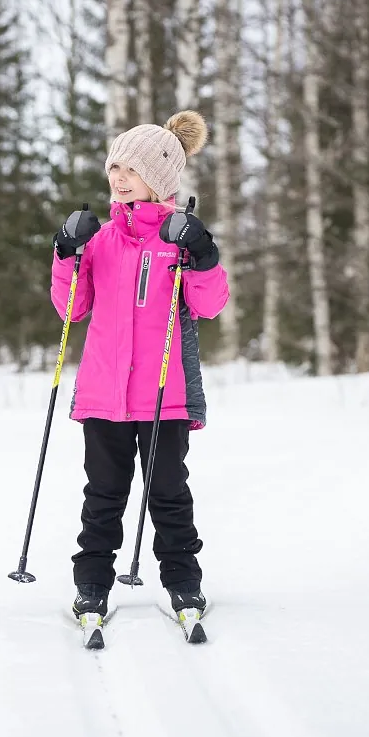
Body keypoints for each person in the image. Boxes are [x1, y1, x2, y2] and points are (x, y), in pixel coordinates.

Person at [48, 110, 230, 620]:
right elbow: (72, 310)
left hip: (164, 397)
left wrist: (204, 254)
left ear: (160, 178)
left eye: (130, 169)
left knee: (169, 494)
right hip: (104, 396)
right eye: (114, 169)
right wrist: (66, 252)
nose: (118, 178)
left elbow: (211, 304)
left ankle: (183, 583)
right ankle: (91, 585)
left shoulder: (180, 239)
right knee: (102, 496)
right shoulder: (101, 239)